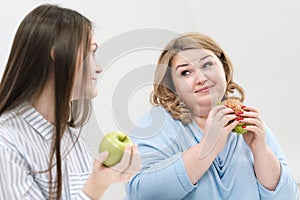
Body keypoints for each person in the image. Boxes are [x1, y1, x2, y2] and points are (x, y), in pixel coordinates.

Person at [125, 32, 299, 199]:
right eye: (185, 72)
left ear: (223, 67)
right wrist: (208, 147)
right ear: (172, 85)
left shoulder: (247, 122)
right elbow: (141, 193)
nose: (200, 78)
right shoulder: (156, 124)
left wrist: (260, 149)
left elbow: (288, 197)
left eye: (207, 65)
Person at [0, 4, 141, 200]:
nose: (98, 68)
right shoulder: (5, 142)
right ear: (57, 53)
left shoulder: (74, 141)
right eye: (91, 52)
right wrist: (96, 186)